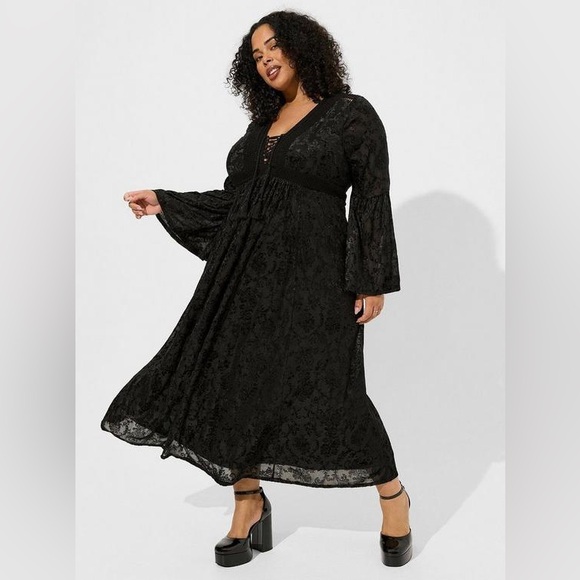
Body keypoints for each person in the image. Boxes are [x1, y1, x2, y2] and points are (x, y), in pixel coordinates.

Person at [101, 9, 412, 568]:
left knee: (334, 389)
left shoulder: (349, 114)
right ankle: (248, 503)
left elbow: (371, 195)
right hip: (244, 280)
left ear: (302, 46)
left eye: (273, 46)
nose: (265, 59)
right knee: (234, 384)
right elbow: (236, 205)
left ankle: (394, 498)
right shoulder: (257, 131)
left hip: (316, 279)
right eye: (255, 54)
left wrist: (370, 279)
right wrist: (166, 201)